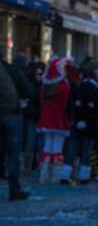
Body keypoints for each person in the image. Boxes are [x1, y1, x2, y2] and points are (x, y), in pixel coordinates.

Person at [58, 60, 98, 184]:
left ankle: (65, 175)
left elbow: (69, 107)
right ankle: (83, 176)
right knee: (86, 152)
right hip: (90, 125)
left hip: (76, 123)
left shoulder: (76, 88)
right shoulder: (96, 90)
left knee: (71, 150)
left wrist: (74, 120)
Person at [0, 57, 32, 201]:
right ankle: (14, 190)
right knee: (13, 153)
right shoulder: (13, 70)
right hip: (12, 115)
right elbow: (29, 91)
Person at [36, 57, 71, 184]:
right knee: (57, 147)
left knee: (47, 147)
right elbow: (66, 102)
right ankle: (55, 175)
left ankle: (43, 174)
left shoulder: (44, 85)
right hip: (59, 118)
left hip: (46, 118)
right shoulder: (63, 85)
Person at [22, 62, 44, 174]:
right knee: (30, 144)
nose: (39, 76)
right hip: (32, 117)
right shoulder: (31, 85)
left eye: (41, 74)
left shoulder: (44, 85)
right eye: (38, 74)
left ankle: (39, 167)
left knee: (40, 144)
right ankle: (28, 168)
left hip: (40, 118)